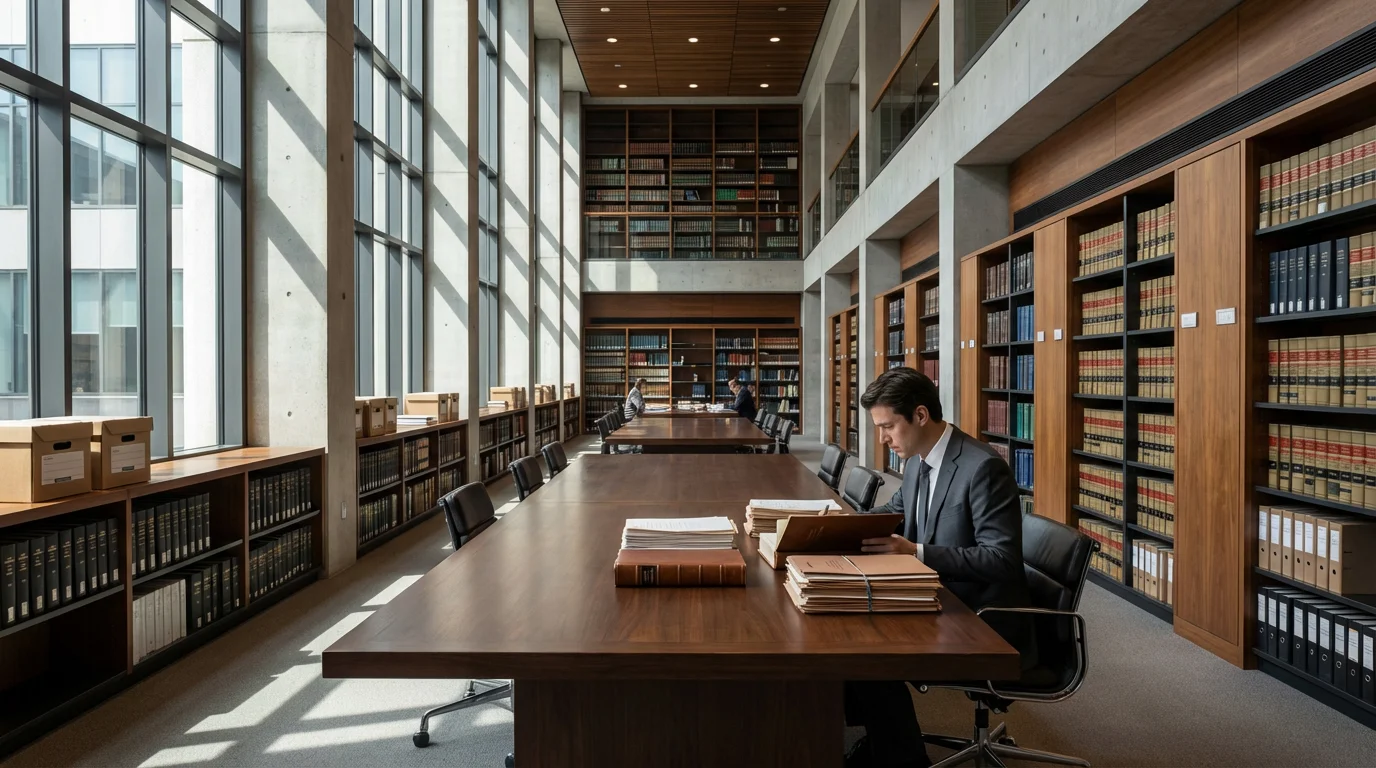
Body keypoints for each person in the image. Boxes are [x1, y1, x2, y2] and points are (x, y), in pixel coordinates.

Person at [844, 366, 1033, 768]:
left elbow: (1001, 559)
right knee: (844, 632)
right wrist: (833, 527)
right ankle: (878, 743)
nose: (883, 438)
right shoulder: (917, 461)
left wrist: (917, 552)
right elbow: (895, 511)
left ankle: (902, 758)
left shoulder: (981, 467)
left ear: (920, 415)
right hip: (938, 597)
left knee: (867, 655)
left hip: (980, 617)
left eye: (888, 426)